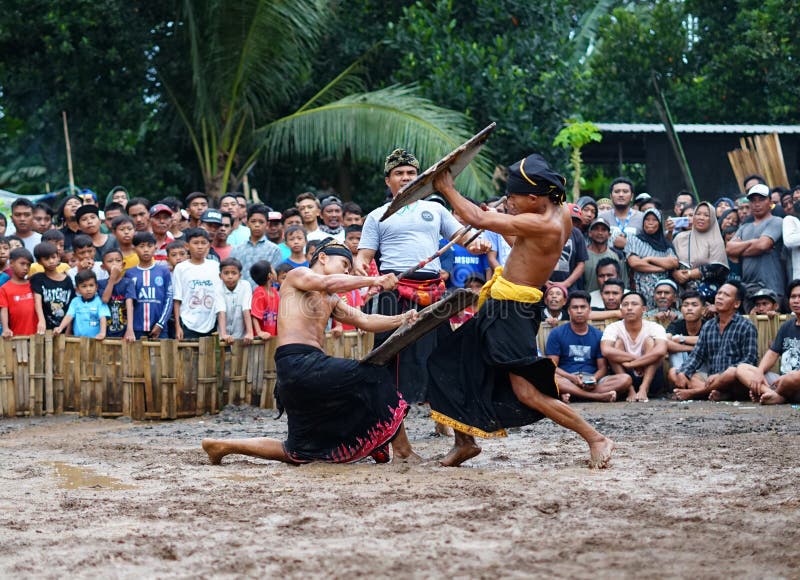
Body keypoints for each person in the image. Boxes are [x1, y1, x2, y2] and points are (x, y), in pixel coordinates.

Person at [426, 153, 614, 468]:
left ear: (532, 197)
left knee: (525, 391)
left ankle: (596, 438)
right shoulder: (559, 213)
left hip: (512, 310)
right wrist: (504, 225)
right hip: (504, 303)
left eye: (512, 198)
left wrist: (446, 187)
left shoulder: (542, 221)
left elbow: (478, 219)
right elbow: (521, 245)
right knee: (450, 360)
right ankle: (464, 443)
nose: (507, 202)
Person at [201, 240, 420, 465]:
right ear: (323, 258)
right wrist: (375, 279)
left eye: (349, 268)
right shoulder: (298, 275)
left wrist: (402, 319)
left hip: (307, 370)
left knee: (297, 451)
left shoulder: (331, 298)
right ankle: (402, 450)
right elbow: (327, 280)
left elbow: (364, 319)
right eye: (344, 264)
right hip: (298, 363)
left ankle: (221, 445)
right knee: (373, 375)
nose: (346, 271)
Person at [355, 148, 464, 403]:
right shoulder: (376, 215)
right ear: (388, 180)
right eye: (399, 173)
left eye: (411, 172)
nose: (406, 177)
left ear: (420, 177)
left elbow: (463, 235)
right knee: (391, 354)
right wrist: (360, 265)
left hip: (433, 289)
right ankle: (392, 418)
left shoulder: (435, 210)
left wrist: (477, 244)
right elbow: (364, 255)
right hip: (395, 289)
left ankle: (443, 418)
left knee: (441, 352)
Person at [672, 282, 758, 401]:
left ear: (737, 303)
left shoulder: (746, 325)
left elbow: (750, 360)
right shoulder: (708, 326)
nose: (719, 297)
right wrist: (684, 373)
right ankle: (718, 394)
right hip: (711, 379)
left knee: (732, 372)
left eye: (726, 295)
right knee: (681, 374)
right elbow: (697, 355)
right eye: (719, 293)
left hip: (734, 380)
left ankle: (696, 393)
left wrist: (721, 375)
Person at [546, 291, 632, 402]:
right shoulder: (557, 333)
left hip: (592, 380)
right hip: (567, 378)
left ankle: (573, 395)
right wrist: (572, 378)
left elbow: (602, 368)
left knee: (625, 379)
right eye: (575, 307)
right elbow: (552, 367)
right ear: (569, 311)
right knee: (551, 378)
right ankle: (596, 397)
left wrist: (594, 378)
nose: (579, 311)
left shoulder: (599, 335)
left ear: (589, 310)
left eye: (583, 307)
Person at [736, 279, 800, 405]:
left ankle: (775, 395)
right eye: (793, 297)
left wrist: (789, 377)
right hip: (782, 381)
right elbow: (772, 353)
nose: (796, 300)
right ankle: (773, 394)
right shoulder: (787, 326)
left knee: (792, 378)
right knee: (742, 369)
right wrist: (759, 373)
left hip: (794, 381)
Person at [600, 291, 668, 402]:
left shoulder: (654, 327)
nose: (629, 308)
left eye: (634, 304)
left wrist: (632, 364)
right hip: (623, 375)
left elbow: (661, 351)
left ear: (644, 309)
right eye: (625, 305)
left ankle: (644, 388)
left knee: (650, 342)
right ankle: (630, 390)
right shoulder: (613, 327)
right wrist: (637, 360)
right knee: (617, 344)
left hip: (650, 376)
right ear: (621, 310)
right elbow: (606, 350)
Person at [726, 184, 785, 306]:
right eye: (753, 200)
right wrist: (752, 242)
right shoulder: (744, 227)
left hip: (771, 287)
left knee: (771, 324)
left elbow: (763, 245)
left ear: (770, 202)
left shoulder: (777, 221)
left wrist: (741, 248)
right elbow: (729, 249)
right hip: (748, 288)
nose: (756, 204)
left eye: (761, 199)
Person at [172, 228, 227, 340]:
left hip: (210, 322)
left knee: (210, 355)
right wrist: (178, 327)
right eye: (196, 243)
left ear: (209, 245)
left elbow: (220, 299)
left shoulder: (215, 266)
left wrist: (222, 330)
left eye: (203, 243)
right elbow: (177, 299)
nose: (200, 246)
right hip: (187, 322)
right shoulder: (181, 268)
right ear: (187, 246)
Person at [672, 201, 729, 298]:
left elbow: (719, 267)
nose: (701, 218)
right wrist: (675, 273)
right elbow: (671, 259)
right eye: (698, 214)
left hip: (709, 294)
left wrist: (689, 274)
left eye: (706, 215)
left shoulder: (716, 239)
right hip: (682, 292)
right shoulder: (679, 238)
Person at [625, 208, 678, 307]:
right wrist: (661, 268)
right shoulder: (634, 239)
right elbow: (635, 263)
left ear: (659, 223)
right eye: (647, 219)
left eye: (654, 220)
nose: (650, 222)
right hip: (641, 290)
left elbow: (673, 262)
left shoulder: (665, 243)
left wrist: (649, 259)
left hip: (664, 293)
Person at [126, 232, 173, 339]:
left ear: (155, 248)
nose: (146, 250)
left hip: (160, 327)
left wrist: (160, 324)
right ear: (134, 249)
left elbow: (169, 299)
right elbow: (129, 302)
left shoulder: (163, 271)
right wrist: (130, 327)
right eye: (141, 246)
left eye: (149, 246)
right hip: (137, 328)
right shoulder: (130, 274)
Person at [230, 204, 284, 288]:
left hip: (265, 296)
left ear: (267, 224)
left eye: (261, 222)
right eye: (253, 221)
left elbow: (275, 278)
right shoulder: (237, 249)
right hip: (241, 296)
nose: (257, 225)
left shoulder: (274, 250)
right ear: (247, 223)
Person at [665, 290, 707, 386]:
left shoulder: (709, 325)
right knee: (672, 371)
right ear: (681, 309)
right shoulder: (676, 325)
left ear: (703, 309)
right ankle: (692, 386)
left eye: (694, 305)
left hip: (704, 370)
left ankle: (689, 387)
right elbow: (666, 342)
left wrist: (682, 339)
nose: (689, 308)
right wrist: (696, 349)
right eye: (685, 305)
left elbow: (709, 341)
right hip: (680, 368)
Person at [31, 242, 74, 333]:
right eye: (46, 259)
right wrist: (41, 321)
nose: (51, 261)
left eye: (53, 257)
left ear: (58, 257)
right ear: (39, 261)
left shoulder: (67, 280)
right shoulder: (38, 278)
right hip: (45, 329)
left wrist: (68, 330)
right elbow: (37, 301)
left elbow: (71, 307)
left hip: (64, 327)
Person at [53, 269, 109, 339]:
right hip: (78, 340)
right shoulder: (75, 301)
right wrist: (60, 328)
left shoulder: (100, 301)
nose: (88, 289)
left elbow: (102, 318)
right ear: (78, 289)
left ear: (96, 287)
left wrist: (102, 333)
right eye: (84, 286)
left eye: (91, 285)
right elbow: (69, 316)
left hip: (96, 340)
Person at [97, 248, 136, 341]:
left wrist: (130, 329)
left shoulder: (128, 282)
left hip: (124, 330)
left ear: (123, 265)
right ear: (103, 267)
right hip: (106, 331)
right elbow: (105, 300)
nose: (114, 263)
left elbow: (130, 305)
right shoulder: (101, 284)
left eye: (118, 261)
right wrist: (112, 278)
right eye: (110, 261)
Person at [548, 204, 587, 292]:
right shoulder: (547, 229)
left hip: (569, 288)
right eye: (570, 219)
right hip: (543, 286)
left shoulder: (577, 234)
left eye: (576, 222)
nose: (572, 223)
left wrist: (566, 283)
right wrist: (544, 282)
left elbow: (581, 263)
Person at [0, 248, 37, 337]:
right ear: (11, 263)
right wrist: (5, 328)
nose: (25, 268)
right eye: (22, 264)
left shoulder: (34, 285)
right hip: (16, 337)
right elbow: (3, 309)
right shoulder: (4, 289)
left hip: (36, 337)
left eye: (28, 265)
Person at [599, 177, 643, 251]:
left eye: (625, 191)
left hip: (636, 261)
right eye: (617, 191)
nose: (621, 195)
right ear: (611, 196)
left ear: (632, 196)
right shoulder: (602, 218)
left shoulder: (642, 218)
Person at [584, 217, 625, 293]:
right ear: (590, 233)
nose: (600, 233)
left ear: (609, 235)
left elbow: (623, 281)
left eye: (603, 230)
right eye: (596, 229)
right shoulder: (582, 255)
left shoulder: (617, 255)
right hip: (588, 300)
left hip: (611, 300)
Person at [219, 257, 254, 344]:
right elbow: (220, 311)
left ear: (240, 276)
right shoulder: (218, 287)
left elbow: (246, 308)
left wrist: (250, 332)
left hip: (242, 336)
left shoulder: (245, 285)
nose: (230, 276)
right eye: (226, 273)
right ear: (220, 276)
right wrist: (223, 334)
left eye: (234, 273)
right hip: (223, 336)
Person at [250, 260, 280, 340]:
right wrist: (259, 332)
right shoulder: (259, 292)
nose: (275, 271)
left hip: (273, 336)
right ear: (270, 275)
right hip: (261, 339)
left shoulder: (274, 291)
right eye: (273, 269)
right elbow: (254, 315)